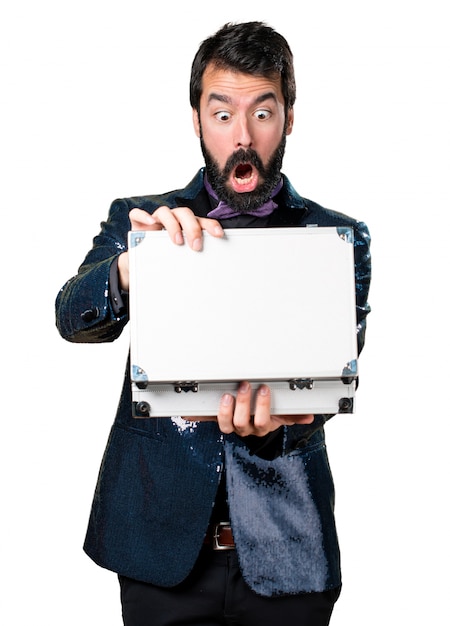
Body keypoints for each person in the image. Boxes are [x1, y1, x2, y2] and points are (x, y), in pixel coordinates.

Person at [55, 21, 371, 626]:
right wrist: (129, 268)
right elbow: (72, 318)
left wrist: (282, 425)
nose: (243, 137)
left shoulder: (336, 240)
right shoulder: (142, 221)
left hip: (290, 553)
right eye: (222, 114)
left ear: (290, 118)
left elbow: (336, 379)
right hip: (158, 551)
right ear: (197, 120)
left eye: (263, 112)